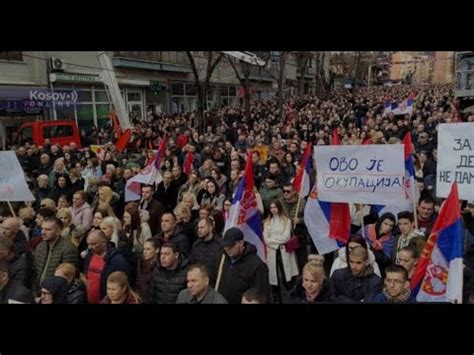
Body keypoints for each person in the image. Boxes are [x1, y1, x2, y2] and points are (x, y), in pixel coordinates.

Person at [216, 228, 270, 304]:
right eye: (225, 245)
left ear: (241, 243)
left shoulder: (256, 266)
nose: (227, 249)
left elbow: (261, 295)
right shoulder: (223, 259)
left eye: (231, 245)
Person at [263, 200, 299, 303]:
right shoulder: (267, 222)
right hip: (272, 252)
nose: (273, 210)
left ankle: (291, 297)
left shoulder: (286, 221)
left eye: (275, 207)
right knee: (274, 277)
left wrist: (272, 240)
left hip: (284, 252)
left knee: (286, 275)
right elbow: (265, 239)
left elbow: (286, 238)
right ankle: (276, 298)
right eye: (271, 208)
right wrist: (276, 242)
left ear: (279, 207)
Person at [33, 217, 78, 295]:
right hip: (38, 292)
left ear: (58, 231)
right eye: (42, 229)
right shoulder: (40, 246)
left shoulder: (68, 248)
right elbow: (34, 272)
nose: (43, 232)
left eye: (48, 230)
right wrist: (34, 293)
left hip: (54, 294)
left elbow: (67, 277)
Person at [136, 239, 160, 304]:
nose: (145, 252)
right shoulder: (141, 263)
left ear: (157, 250)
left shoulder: (161, 265)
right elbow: (138, 282)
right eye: (144, 249)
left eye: (148, 249)